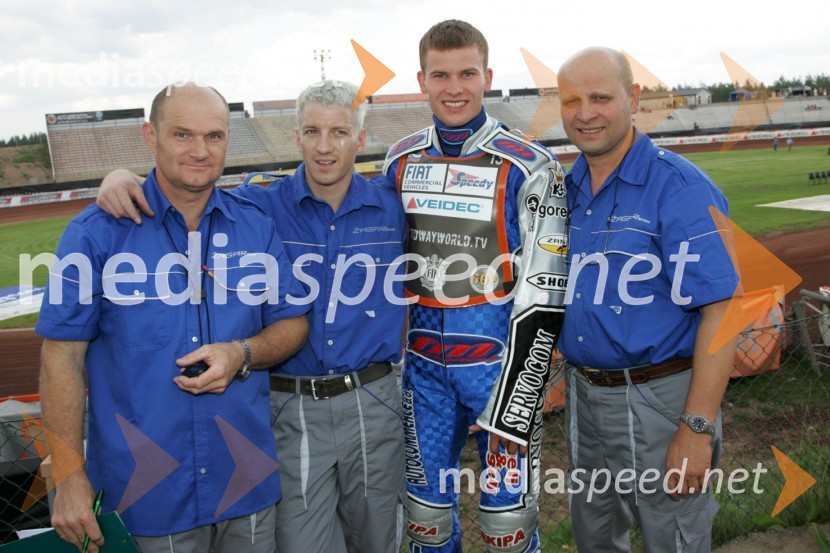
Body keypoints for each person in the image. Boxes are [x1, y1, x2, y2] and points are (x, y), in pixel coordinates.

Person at [94, 80, 407, 553]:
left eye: (340, 132)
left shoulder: (395, 204)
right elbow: (187, 183)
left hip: (375, 398)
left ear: (360, 140)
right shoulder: (259, 205)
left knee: (379, 540)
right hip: (291, 403)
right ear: (295, 137)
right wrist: (121, 175)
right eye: (312, 131)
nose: (325, 146)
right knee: (303, 543)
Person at [37, 83, 310, 553]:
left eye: (215, 136)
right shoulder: (95, 234)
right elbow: (59, 358)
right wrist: (68, 474)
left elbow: (293, 324)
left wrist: (242, 352)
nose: (200, 151)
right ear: (150, 136)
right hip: (142, 496)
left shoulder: (255, 225)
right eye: (182, 135)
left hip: (245, 484)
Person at [382, 20, 567, 553]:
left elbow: (547, 288)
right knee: (424, 520)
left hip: (502, 372)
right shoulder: (398, 161)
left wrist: (523, 386)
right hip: (421, 375)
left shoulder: (531, 164)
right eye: (441, 75)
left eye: (466, 73)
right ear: (422, 80)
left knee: (507, 526)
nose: (454, 87)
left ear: (487, 76)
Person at [556, 47, 739, 552]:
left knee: (672, 536)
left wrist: (696, 428)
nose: (585, 112)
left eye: (600, 97)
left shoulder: (677, 186)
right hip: (585, 396)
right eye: (571, 99)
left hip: (660, 397)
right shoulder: (565, 191)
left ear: (633, 98)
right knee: (593, 533)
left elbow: (724, 311)